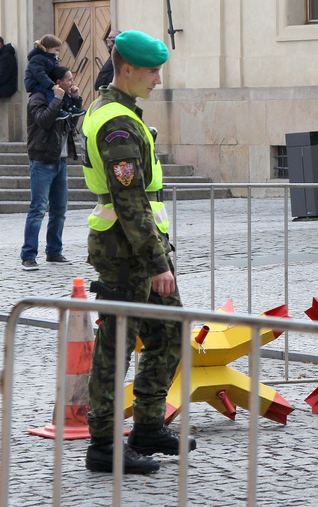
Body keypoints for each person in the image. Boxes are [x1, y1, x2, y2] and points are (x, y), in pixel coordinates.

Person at [81, 30, 195, 475]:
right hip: (125, 250)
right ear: (126, 68)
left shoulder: (122, 113)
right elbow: (128, 201)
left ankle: (147, 425)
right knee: (117, 344)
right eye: (152, 70)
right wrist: (157, 262)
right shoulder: (116, 123)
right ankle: (104, 445)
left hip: (138, 246)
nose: (158, 79)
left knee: (170, 331)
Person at [20, 66, 81, 271]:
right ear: (57, 82)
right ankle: (28, 255)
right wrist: (56, 100)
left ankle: (54, 251)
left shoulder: (62, 99)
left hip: (60, 161)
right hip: (42, 160)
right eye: (69, 80)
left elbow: (72, 125)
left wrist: (76, 100)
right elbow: (43, 121)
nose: (72, 83)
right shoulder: (37, 98)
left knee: (59, 210)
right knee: (38, 209)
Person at [24, 34, 85, 119]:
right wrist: (51, 86)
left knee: (62, 91)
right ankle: (57, 110)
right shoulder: (37, 59)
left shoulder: (50, 59)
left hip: (46, 82)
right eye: (56, 50)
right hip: (35, 84)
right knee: (50, 92)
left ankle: (71, 108)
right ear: (48, 48)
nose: (57, 53)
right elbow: (40, 75)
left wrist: (75, 98)